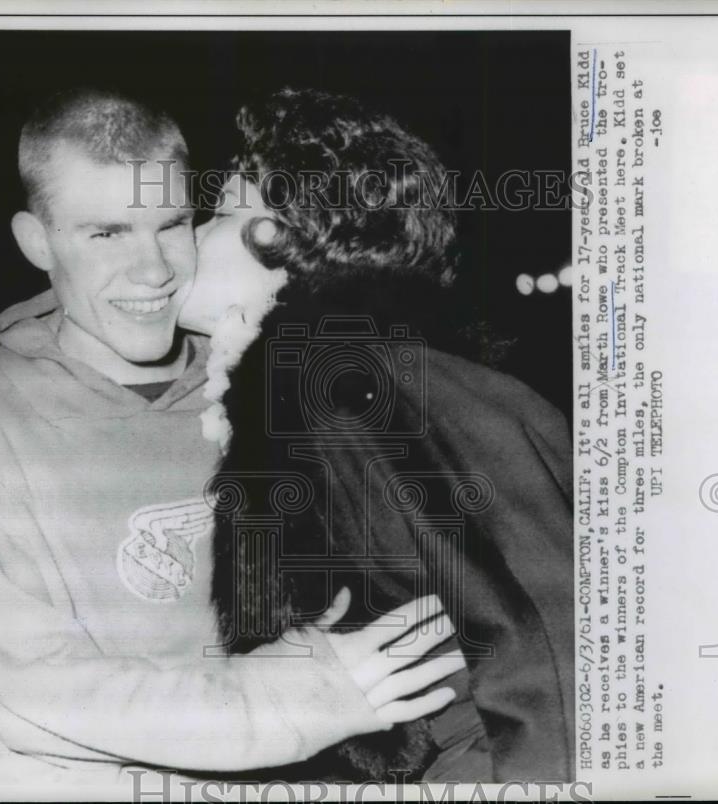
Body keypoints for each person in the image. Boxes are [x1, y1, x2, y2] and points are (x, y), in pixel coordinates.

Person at [0, 87, 463, 784]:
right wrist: (301, 697)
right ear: (36, 242)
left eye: (171, 224)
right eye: (106, 233)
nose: (154, 270)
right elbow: (32, 690)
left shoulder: (260, 389)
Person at [178, 88, 575, 782]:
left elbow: (544, 657)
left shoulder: (357, 389)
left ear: (284, 238)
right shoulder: (342, 384)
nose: (191, 236)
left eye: (220, 212)